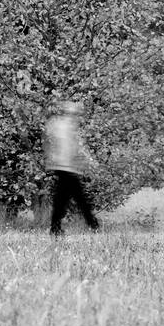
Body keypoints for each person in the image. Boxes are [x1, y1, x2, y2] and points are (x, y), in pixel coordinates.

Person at [45, 100, 100, 236]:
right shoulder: (64, 126)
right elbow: (65, 147)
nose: (76, 117)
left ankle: (56, 228)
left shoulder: (61, 125)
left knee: (62, 200)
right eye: (74, 114)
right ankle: (93, 225)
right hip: (65, 168)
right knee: (79, 198)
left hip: (65, 167)